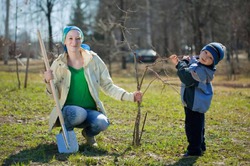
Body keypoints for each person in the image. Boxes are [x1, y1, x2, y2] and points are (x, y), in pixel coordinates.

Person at [44, 26, 142, 147]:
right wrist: (48, 81)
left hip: (90, 111)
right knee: (79, 113)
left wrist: (130, 96)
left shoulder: (93, 60)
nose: (74, 42)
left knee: (102, 123)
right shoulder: (58, 64)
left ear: (82, 40)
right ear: (64, 41)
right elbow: (52, 95)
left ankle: (89, 134)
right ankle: (66, 131)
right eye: (70, 38)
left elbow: (108, 86)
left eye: (78, 38)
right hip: (69, 111)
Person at [169, 42, 226, 157]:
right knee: (198, 125)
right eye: (205, 52)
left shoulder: (202, 72)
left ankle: (194, 150)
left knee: (192, 127)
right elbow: (194, 62)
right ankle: (201, 145)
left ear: (213, 63)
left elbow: (187, 77)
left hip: (195, 104)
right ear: (201, 51)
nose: (205, 57)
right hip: (194, 103)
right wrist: (186, 60)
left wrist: (181, 63)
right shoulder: (199, 64)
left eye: (210, 57)